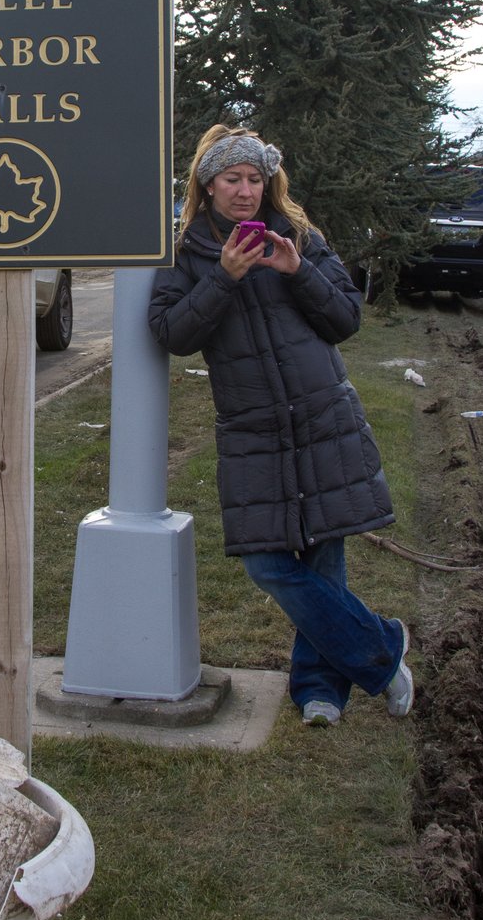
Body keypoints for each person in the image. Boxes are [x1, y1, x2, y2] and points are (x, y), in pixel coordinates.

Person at [148, 126, 413, 726]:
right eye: (232, 179)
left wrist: (298, 271)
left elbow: (346, 317)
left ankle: (319, 688)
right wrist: (224, 277)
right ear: (207, 183)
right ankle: (382, 652)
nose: (246, 191)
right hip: (252, 429)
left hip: (322, 416)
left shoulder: (298, 236)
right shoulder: (187, 251)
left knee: (323, 555)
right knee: (266, 561)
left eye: (254, 179)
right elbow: (172, 334)